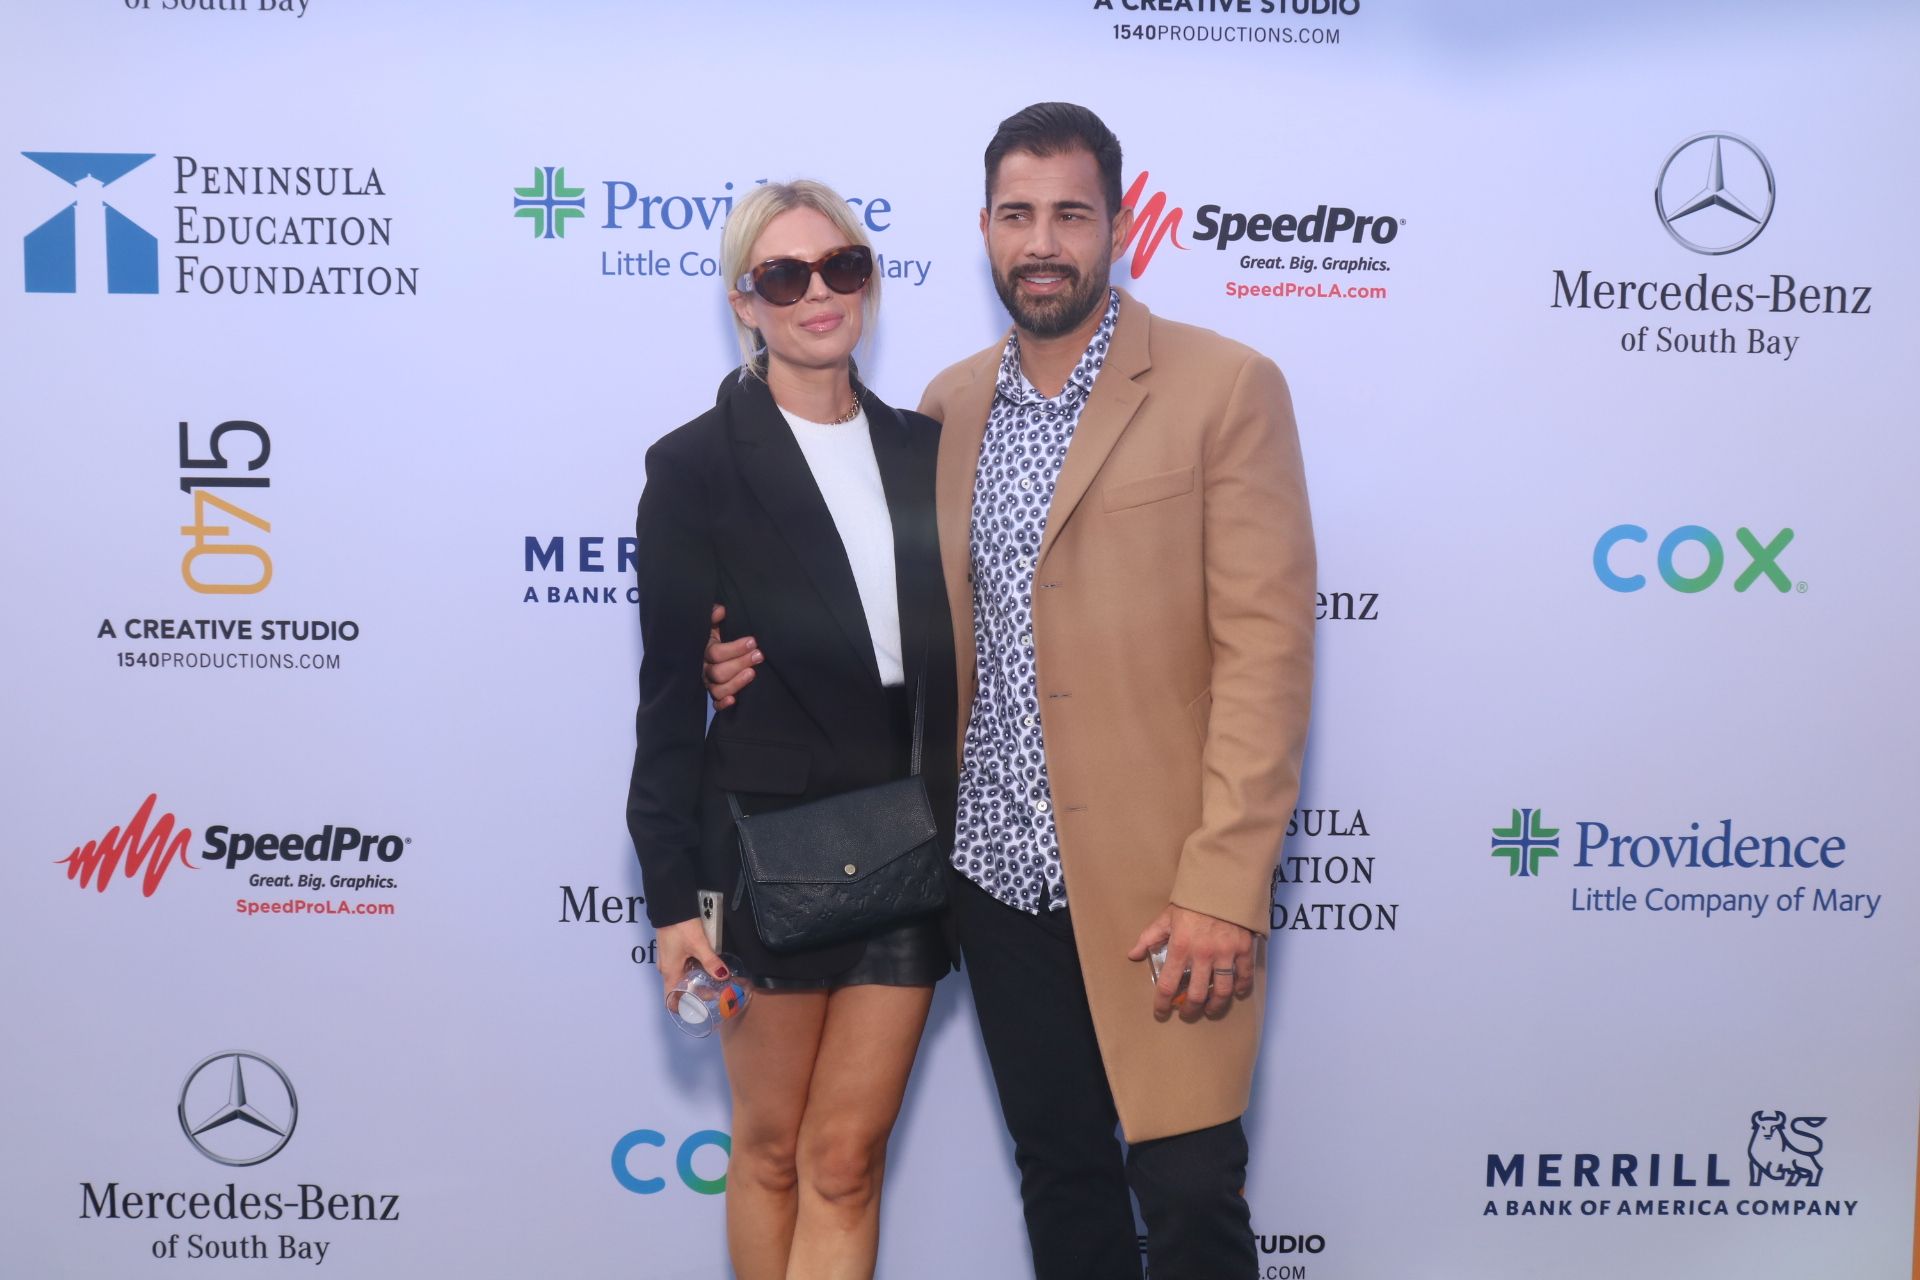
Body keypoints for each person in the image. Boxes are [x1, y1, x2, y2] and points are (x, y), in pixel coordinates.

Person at [705, 104, 1315, 1279]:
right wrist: (727, 649)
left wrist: (1224, 885)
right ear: (984, 227)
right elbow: (872, 607)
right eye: (1019, 215)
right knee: (1064, 1181)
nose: (1043, 243)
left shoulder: (1225, 386)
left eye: (1070, 214)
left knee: (1190, 1189)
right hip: (993, 876)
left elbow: (1266, 658)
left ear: (1119, 227)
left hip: (1164, 885)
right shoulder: (947, 409)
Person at [625, 178, 957, 1280]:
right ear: (745, 303)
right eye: (784, 275)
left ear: (868, 282)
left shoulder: (927, 450)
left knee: (847, 1159)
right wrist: (670, 900)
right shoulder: (695, 466)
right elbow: (667, 700)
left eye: (841, 266)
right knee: (769, 1150)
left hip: (910, 838)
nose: (818, 292)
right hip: (765, 846)